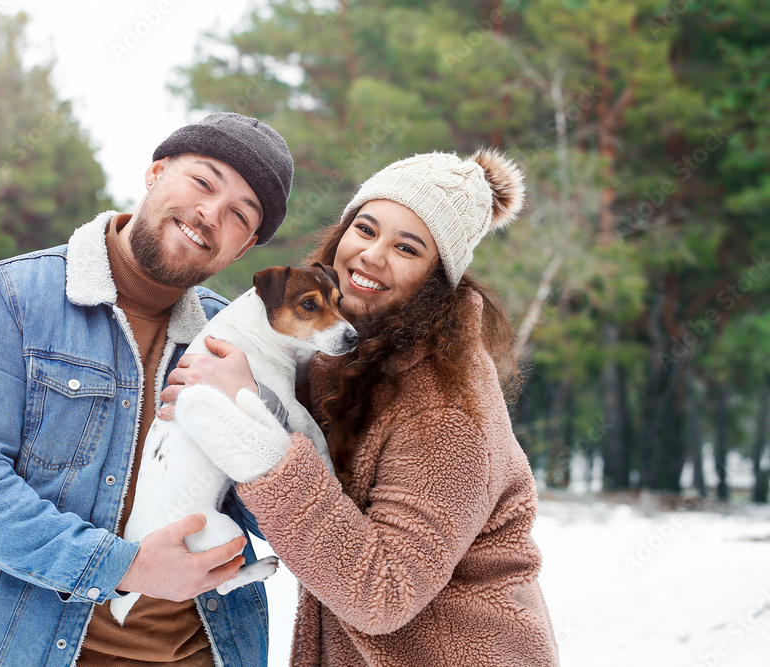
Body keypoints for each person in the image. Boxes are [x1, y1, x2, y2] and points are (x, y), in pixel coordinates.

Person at [0, 112, 294, 667]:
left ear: (244, 247)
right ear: (155, 172)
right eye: (203, 182)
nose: (211, 214)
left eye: (239, 214)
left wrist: (260, 418)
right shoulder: (12, 297)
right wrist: (123, 568)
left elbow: (275, 518)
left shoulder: (234, 343)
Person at [167, 149, 561, 665]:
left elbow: (382, 594)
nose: (372, 256)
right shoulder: (349, 356)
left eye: (407, 247)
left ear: (437, 279)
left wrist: (249, 418)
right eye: (367, 229)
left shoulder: (447, 408)